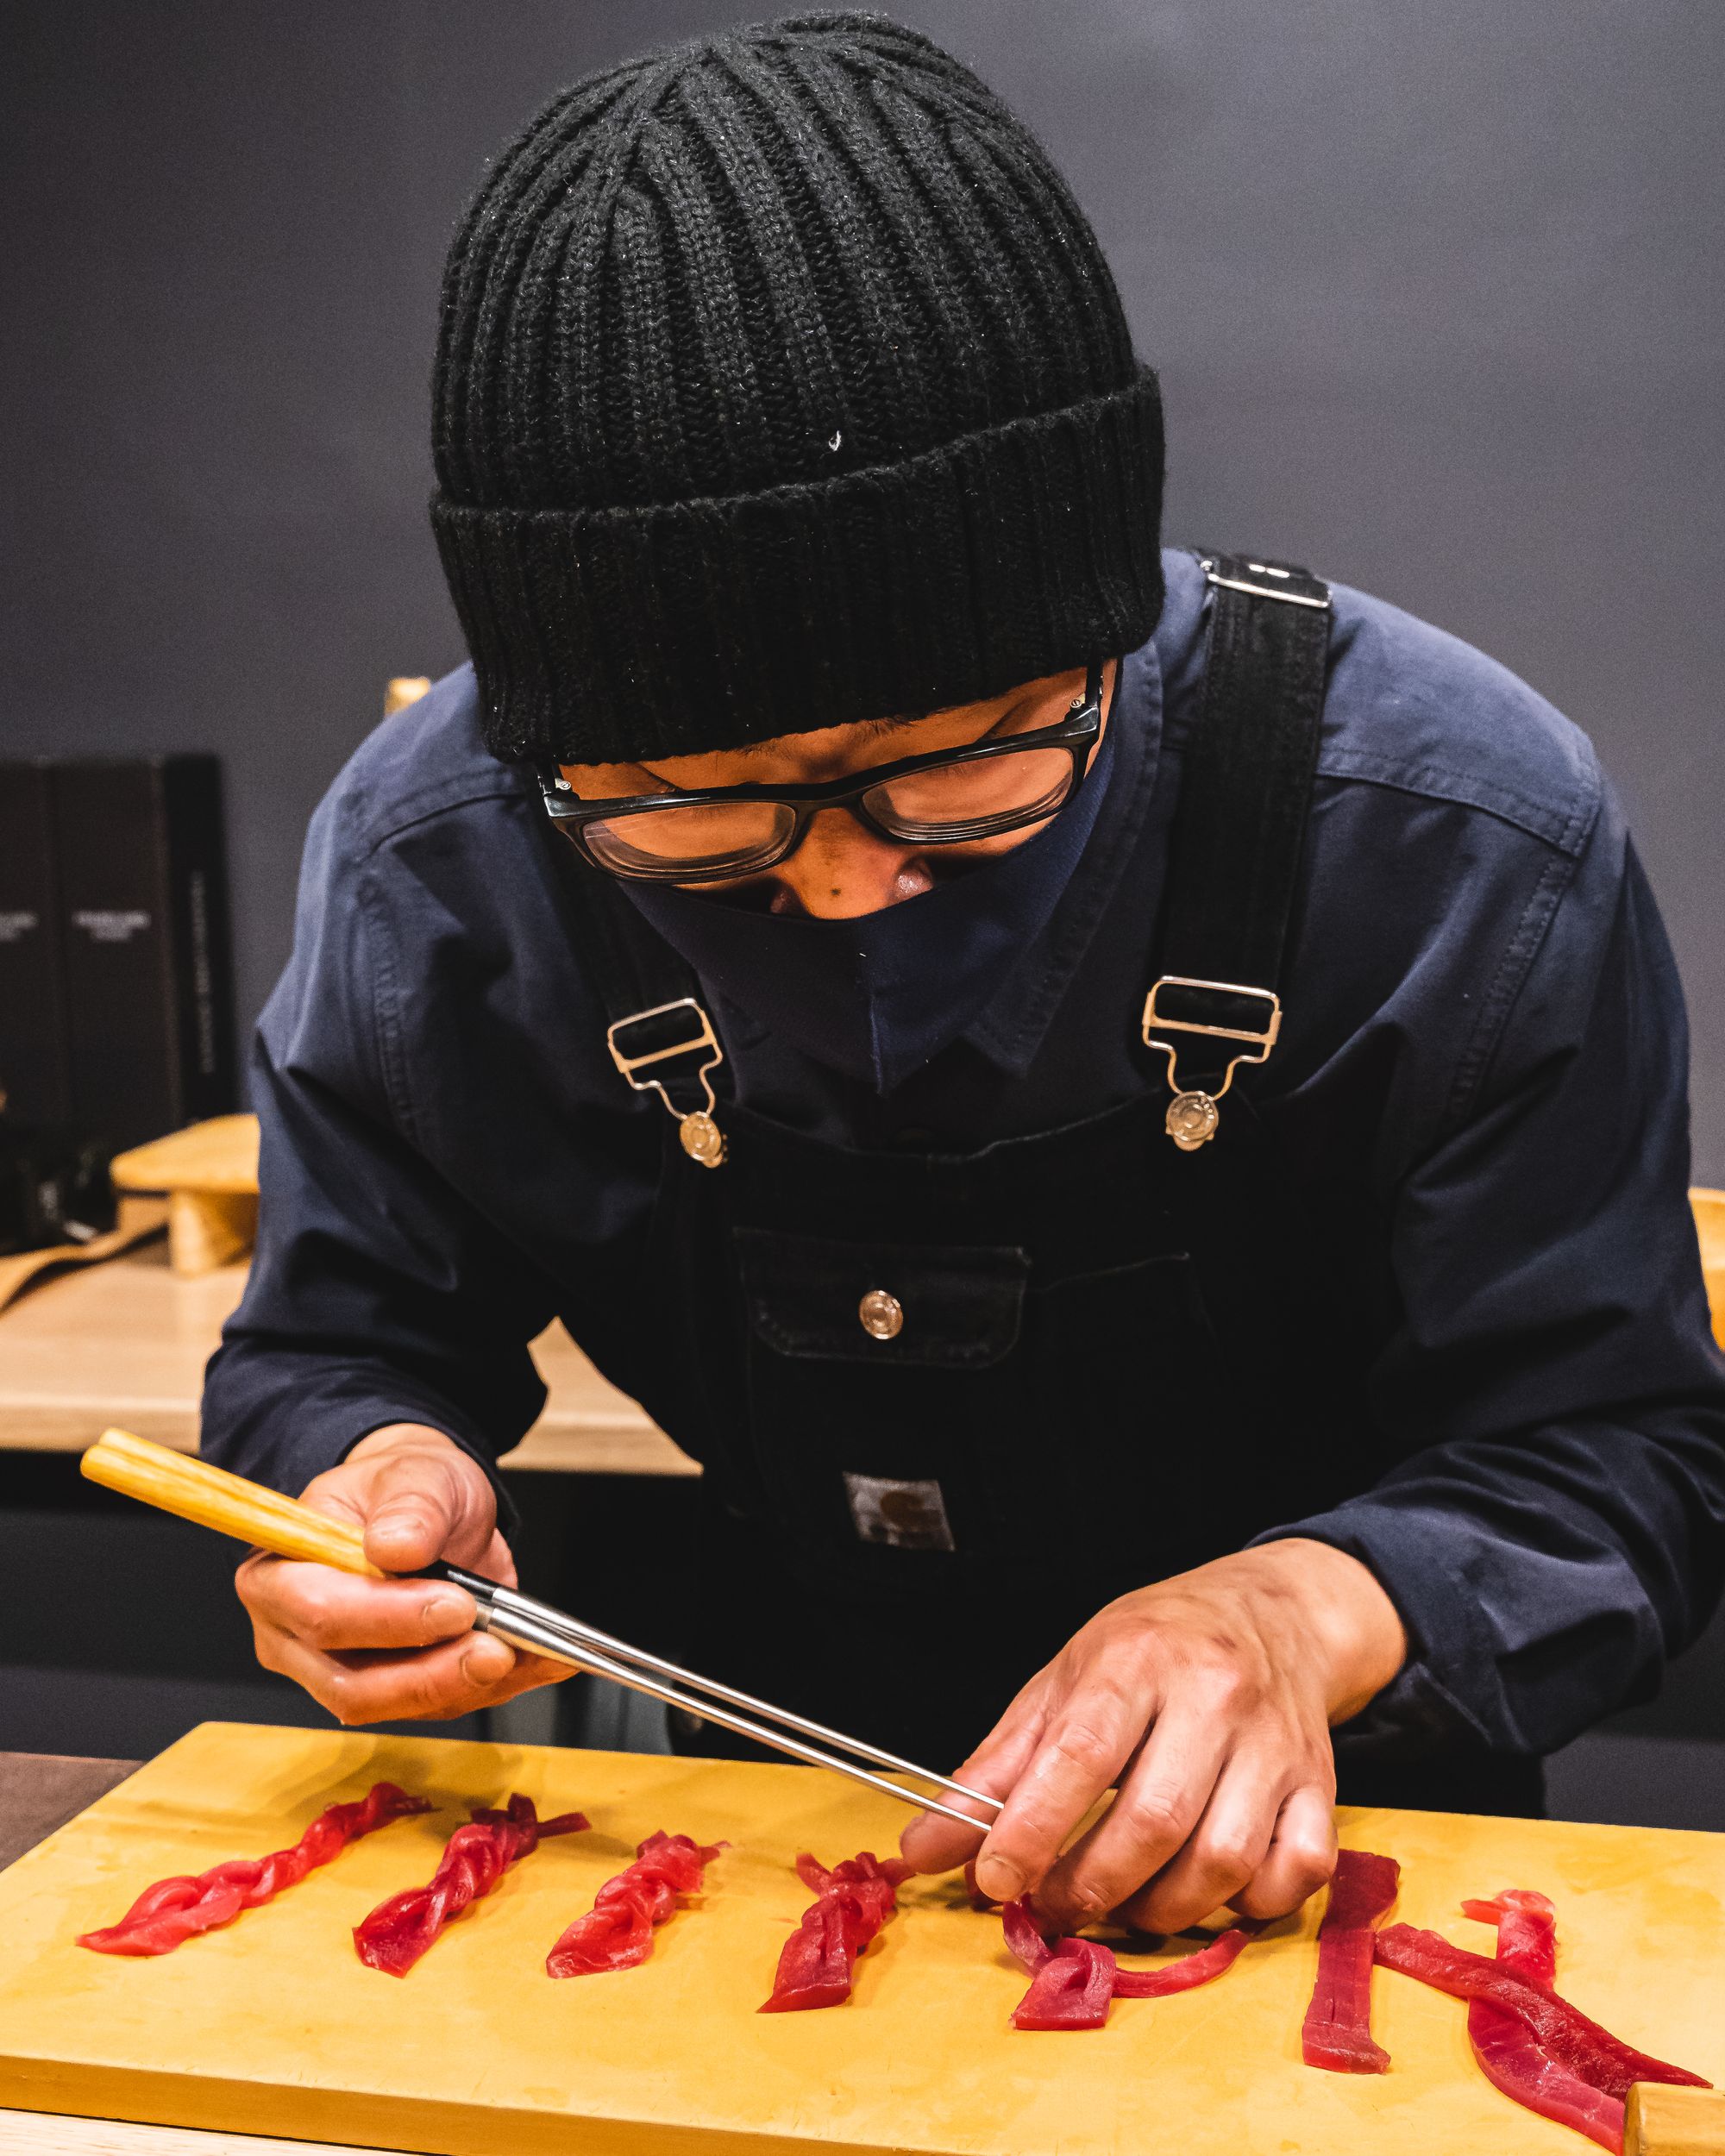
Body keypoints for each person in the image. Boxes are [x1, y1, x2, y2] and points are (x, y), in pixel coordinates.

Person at [204, 13, 1725, 1938]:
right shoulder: (442, 857)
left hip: (1336, 1855)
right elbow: (332, 1350)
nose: (846, 887)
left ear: (1098, 632)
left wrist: (1291, 1614)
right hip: (769, 1844)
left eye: (959, 765)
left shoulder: (1448, 836)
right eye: (697, 805)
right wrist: (364, 1478)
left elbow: (1617, 1457)